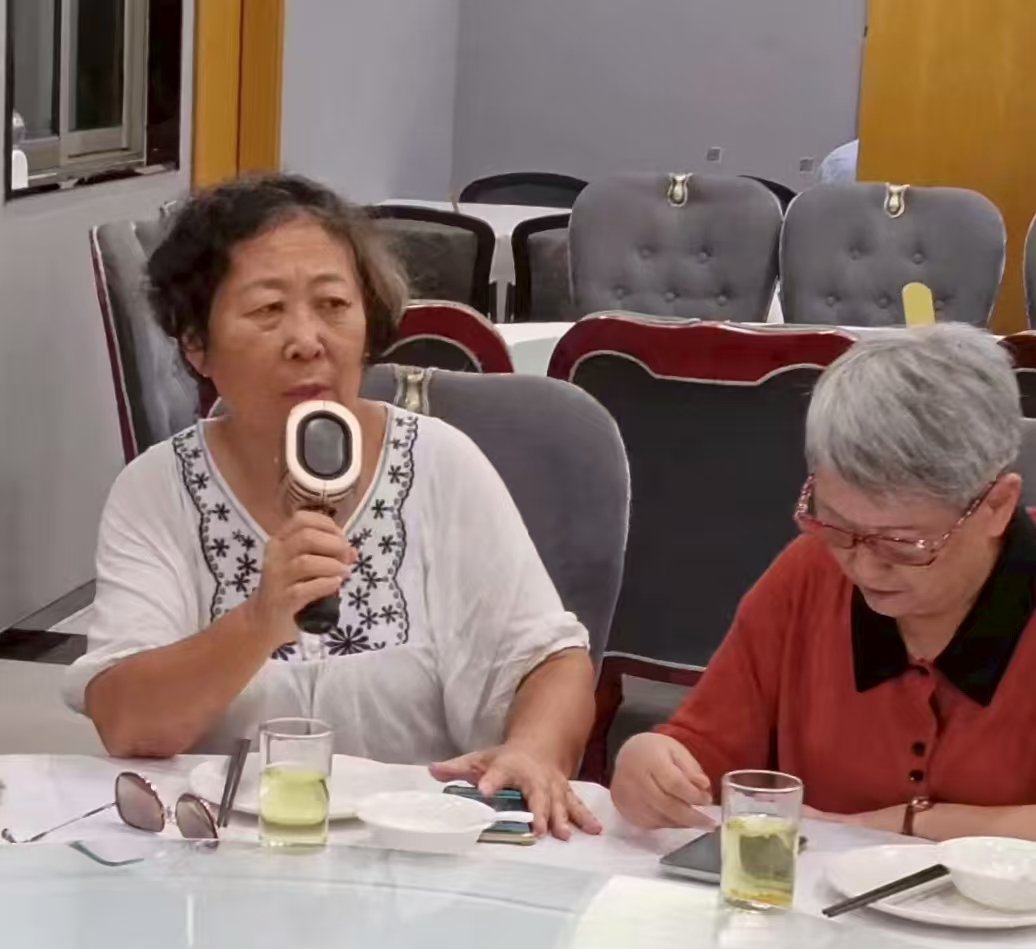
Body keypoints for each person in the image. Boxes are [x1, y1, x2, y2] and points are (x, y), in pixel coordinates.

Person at [64, 174, 599, 839]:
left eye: (333, 305)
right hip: (219, 859)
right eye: (267, 310)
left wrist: (534, 752)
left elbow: (551, 662)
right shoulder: (156, 490)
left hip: (411, 855)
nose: (307, 340)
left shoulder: (441, 463)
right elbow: (128, 723)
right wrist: (260, 620)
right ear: (196, 344)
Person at [611, 324, 1036, 842]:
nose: (864, 567)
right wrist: (652, 763)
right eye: (836, 525)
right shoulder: (810, 573)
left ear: (996, 506)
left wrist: (913, 824)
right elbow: (705, 747)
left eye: (903, 542)